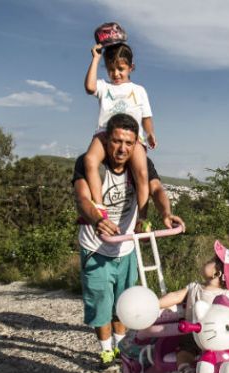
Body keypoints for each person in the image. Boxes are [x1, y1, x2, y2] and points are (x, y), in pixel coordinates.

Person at [72, 113, 184, 366]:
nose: (122, 148)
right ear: (106, 140)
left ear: (135, 144)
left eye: (128, 143)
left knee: (124, 302)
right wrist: (96, 219)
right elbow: (81, 199)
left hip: (125, 247)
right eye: (116, 141)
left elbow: (156, 189)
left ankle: (121, 346)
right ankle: (105, 349)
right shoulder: (89, 164)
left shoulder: (140, 165)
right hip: (95, 247)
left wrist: (166, 213)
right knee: (101, 303)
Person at [157, 240, 229, 373]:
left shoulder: (226, 296)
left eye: (212, 260)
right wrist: (156, 304)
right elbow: (176, 296)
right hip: (193, 335)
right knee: (184, 353)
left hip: (216, 340)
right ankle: (187, 372)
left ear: (217, 273)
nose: (207, 261)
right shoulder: (195, 287)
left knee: (193, 352)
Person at [83, 23, 154, 228]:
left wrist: (150, 134)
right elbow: (89, 87)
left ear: (131, 67)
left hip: (132, 138)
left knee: (142, 172)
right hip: (105, 134)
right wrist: (96, 58)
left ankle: (142, 216)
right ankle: (100, 206)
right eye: (111, 69)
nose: (116, 74)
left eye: (121, 69)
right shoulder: (104, 87)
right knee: (89, 160)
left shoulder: (138, 90)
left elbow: (146, 116)